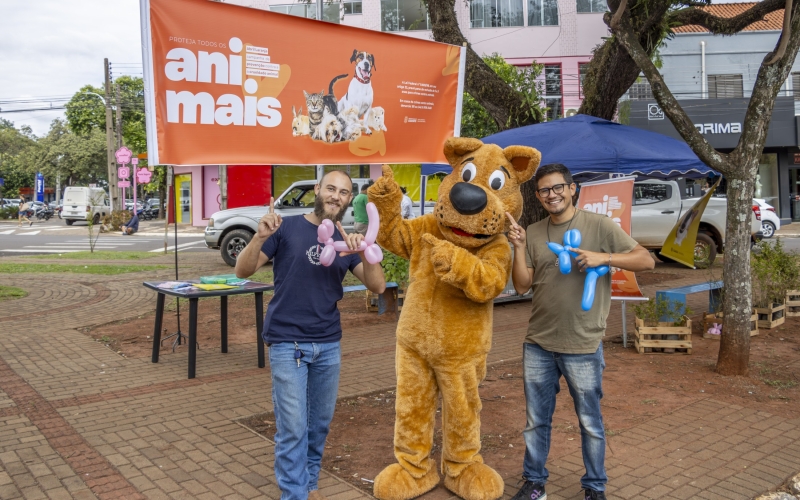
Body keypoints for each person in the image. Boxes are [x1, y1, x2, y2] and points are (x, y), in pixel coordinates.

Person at [234, 170, 386, 500]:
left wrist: (364, 248)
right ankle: (295, 494)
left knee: (318, 426)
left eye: (343, 192)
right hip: (287, 342)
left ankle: (310, 483)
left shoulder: (346, 239)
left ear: (349, 199)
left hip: (328, 344)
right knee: (293, 429)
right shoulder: (285, 227)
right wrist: (259, 237)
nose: (336, 196)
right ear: (317, 189)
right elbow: (242, 270)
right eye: (330, 188)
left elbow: (378, 286)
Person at [506, 163, 654, 500]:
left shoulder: (598, 225)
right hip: (539, 343)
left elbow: (645, 260)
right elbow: (522, 286)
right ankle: (535, 483)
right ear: (538, 196)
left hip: (583, 343)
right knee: (536, 421)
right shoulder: (534, 231)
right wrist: (518, 247)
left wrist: (604, 257)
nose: (551, 195)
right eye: (544, 190)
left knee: (590, 422)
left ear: (572, 189)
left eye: (557, 187)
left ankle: (594, 487)